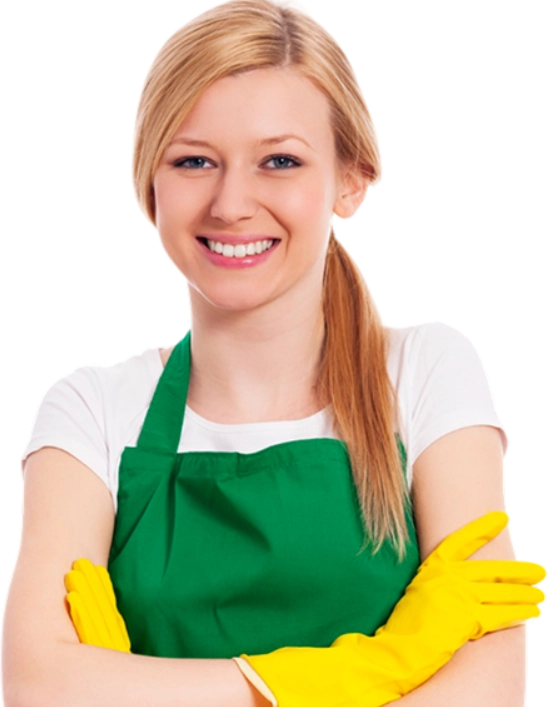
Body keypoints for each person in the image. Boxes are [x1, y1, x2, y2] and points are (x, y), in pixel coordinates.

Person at [2, 1, 545, 705]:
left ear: (350, 179)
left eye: (279, 161)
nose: (231, 203)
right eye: (194, 161)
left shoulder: (426, 372)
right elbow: (36, 683)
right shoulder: (93, 409)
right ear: (148, 187)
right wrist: (369, 669)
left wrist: (133, 687)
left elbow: (489, 686)